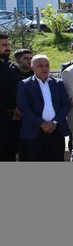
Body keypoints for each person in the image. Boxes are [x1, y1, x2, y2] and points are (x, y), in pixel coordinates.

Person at [16, 55, 70, 161]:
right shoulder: (25, 84)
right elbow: (23, 107)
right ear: (32, 67)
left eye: (46, 65)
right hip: (34, 131)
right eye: (40, 66)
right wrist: (42, 123)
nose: (44, 68)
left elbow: (66, 104)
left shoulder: (58, 83)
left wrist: (55, 122)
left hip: (56, 130)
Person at [0, 33, 22, 161]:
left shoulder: (13, 67)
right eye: (4, 45)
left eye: (8, 45)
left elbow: (19, 90)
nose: (7, 48)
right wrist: (9, 108)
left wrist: (18, 108)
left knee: (11, 151)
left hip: (14, 118)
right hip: (2, 116)